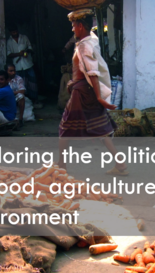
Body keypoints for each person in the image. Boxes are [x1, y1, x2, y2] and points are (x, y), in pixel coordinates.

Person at [57, 9, 127, 176]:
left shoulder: (84, 46)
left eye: (74, 26)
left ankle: (61, 167)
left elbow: (91, 72)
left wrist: (98, 97)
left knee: (64, 129)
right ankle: (120, 164)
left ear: (80, 26)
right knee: (101, 128)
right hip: (85, 89)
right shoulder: (92, 40)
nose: (72, 29)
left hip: (82, 93)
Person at [7, 24, 42, 109]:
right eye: (12, 32)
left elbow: (30, 48)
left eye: (15, 31)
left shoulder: (24, 37)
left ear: (17, 30)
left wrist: (26, 52)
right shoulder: (9, 42)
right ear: (10, 33)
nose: (14, 33)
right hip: (18, 66)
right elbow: (9, 54)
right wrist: (19, 54)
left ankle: (34, 99)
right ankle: (25, 101)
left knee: (32, 82)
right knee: (21, 83)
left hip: (28, 64)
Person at [0, 64, 26, 128]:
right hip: (6, 99)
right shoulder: (2, 86)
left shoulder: (17, 79)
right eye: (11, 71)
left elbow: (22, 90)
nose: (13, 72)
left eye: (14, 70)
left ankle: (20, 119)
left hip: (7, 116)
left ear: (7, 80)